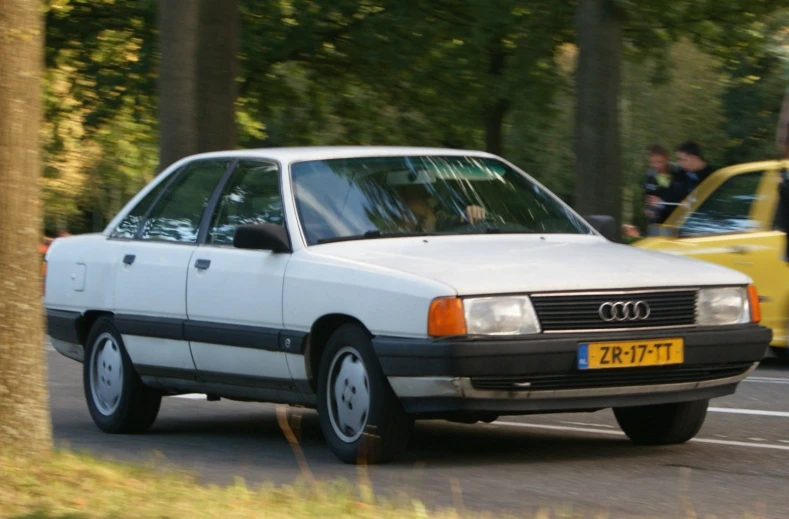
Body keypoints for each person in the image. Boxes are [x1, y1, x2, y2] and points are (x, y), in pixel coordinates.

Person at [642, 144, 685, 226]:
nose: (657, 165)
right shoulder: (649, 175)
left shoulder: (679, 172)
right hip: (656, 223)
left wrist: (662, 203)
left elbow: (684, 200)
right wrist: (647, 208)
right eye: (652, 162)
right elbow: (647, 196)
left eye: (660, 162)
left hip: (677, 221)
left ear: (666, 157)